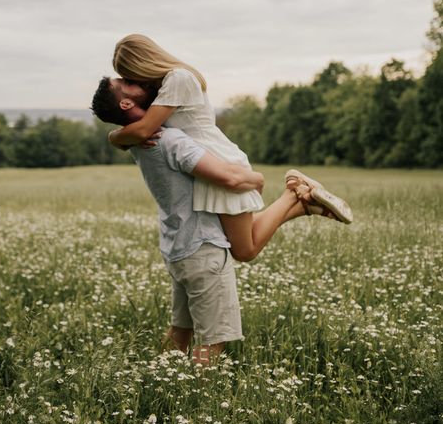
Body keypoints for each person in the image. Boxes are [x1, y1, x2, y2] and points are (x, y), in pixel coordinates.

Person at [106, 34, 352, 261]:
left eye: (130, 76)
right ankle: (302, 204)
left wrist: (115, 138)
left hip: (221, 162)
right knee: (241, 241)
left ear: (142, 63)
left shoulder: (178, 79)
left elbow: (143, 130)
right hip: (207, 164)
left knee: (245, 250)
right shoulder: (165, 86)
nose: (132, 82)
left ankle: (292, 195)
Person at [91, 81, 266, 365]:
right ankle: (194, 405)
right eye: (124, 83)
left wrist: (116, 135)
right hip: (203, 248)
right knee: (212, 342)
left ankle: (165, 382)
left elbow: (123, 136)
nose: (134, 82)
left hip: (178, 249)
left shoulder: (136, 144)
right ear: (125, 103)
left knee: (180, 331)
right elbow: (231, 179)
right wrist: (257, 179)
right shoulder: (172, 140)